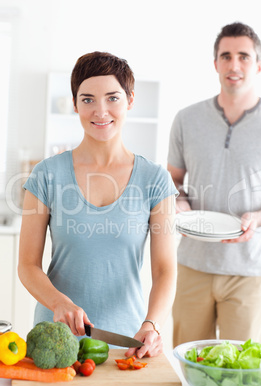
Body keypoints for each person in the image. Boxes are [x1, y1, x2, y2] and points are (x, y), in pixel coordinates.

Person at [18, 51, 178, 358]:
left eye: (113, 98)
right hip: (54, 342)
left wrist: (152, 324)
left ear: (130, 100)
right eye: (88, 99)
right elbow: (27, 265)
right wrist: (58, 302)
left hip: (128, 343)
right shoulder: (46, 175)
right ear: (75, 103)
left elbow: (165, 269)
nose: (100, 111)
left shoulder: (155, 179)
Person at [168, 22, 261, 347]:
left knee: (242, 373)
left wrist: (259, 217)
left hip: (250, 270)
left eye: (243, 56)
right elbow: (173, 181)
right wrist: (179, 203)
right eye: (225, 56)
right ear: (215, 64)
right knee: (185, 363)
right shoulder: (186, 119)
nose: (234, 65)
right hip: (193, 264)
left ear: (259, 65)